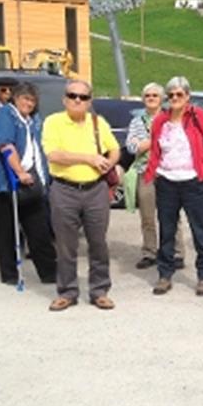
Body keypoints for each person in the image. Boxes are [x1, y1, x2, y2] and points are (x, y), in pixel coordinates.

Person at [42, 79, 121, 311]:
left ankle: (100, 290)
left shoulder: (98, 122)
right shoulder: (53, 122)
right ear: (64, 99)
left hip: (95, 189)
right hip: (64, 189)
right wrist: (88, 158)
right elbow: (53, 155)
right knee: (66, 245)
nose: (78, 100)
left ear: (90, 101)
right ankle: (67, 291)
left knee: (98, 243)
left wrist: (109, 162)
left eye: (83, 97)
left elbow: (114, 148)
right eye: (73, 95)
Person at [0, 81, 58, 286]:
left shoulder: (33, 119)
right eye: (25, 99)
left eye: (32, 100)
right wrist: (19, 172)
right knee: (7, 230)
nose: (29, 104)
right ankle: (10, 274)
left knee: (39, 228)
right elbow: (5, 145)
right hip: (4, 182)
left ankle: (49, 272)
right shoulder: (5, 116)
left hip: (32, 179)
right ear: (16, 98)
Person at [144, 76, 203, 296]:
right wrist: (154, 171)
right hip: (166, 180)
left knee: (199, 230)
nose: (175, 98)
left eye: (179, 94)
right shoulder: (161, 120)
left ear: (187, 96)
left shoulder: (197, 116)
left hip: (193, 181)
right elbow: (155, 148)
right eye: (171, 95)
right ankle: (165, 275)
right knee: (167, 230)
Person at [126, 82, 184, 271]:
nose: (151, 98)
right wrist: (154, 140)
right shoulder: (136, 121)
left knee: (172, 216)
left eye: (155, 96)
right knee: (148, 216)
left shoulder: (170, 118)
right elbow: (132, 147)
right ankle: (150, 252)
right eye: (147, 95)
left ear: (161, 99)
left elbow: (174, 143)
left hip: (168, 172)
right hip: (146, 173)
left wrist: (145, 142)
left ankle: (177, 253)